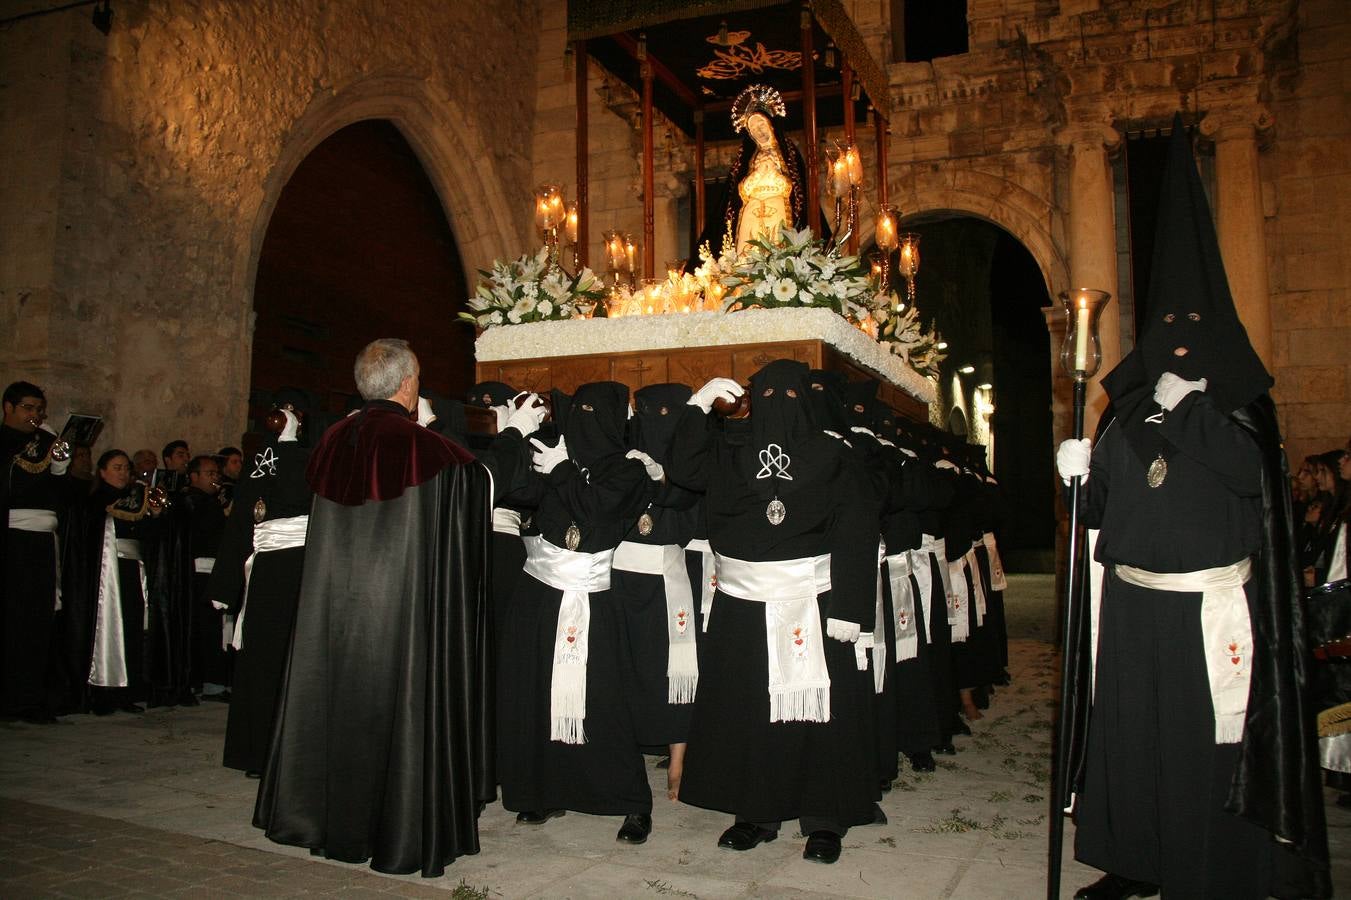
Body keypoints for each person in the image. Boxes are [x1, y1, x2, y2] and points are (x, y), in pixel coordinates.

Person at [1057, 120, 1328, 899]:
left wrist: (1191, 413)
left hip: (1212, 610)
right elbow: (1102, 512)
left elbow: (1249, 479)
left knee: (1205, 742)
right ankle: (1133, 859)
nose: (1176, 345)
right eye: (1163, 330)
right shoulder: (1123, 413)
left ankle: (1212, 865)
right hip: (1135, 608)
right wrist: (1078, 477)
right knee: (1132, 737)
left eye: (1192, 331)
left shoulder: (1240, 413)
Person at [254, 339, 494, 877]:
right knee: (398, 705)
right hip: (402, 620)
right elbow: (464, 545)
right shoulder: (431, 452)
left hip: (334, 616)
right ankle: (397, 827)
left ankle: (318, 818)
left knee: (331, 693)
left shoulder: (329, 442)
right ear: (408, 386)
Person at [667, 360, 880, 865]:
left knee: (819, 717)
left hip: (815, 601)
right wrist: (697, 407)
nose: (776, 407)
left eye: (789, 397)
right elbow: (682, 467)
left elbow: (857, 528)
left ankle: (824, 819)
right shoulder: (729, 449)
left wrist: (851, 608)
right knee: (749, 713)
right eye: (766, 395)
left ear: (806, 401)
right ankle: (755, 813)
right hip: (742, 607)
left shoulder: (833, 453)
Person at [496, 381, 658, 844]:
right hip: (540, 590)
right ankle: (542, 790)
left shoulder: (629, 471)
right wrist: (520, 439)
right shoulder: (558, 454)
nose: (584, 421)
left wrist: (563, 470)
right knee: (536, 694)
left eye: (594, 412)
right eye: (577, 411)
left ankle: (630, 802)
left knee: (605, 699)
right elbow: (518, 494)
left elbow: (597, 512)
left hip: (593, 595)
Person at [213, 390, 316, 776]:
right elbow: (243, 520)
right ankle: (257, 751)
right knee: (260, 660)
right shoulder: (259, 460)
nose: (284, 420)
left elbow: (299, 492)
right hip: (266, 571)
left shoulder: (306, 458)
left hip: (301, 567)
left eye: (292, 415)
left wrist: (289, 444)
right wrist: (224, 586)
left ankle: (290, 750)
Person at [611, 382, 703, 801]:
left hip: (667, 578)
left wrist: (663, 478)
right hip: (619, 575)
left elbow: (689, 505)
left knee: (671, 670)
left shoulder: (692, 462)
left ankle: (680, 758)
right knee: (623, 668)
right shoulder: (625, 456)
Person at [0, 382, 72, 722]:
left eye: (38, 410)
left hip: (42, 541)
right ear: (8, 408)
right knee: (10, 619)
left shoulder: (47, 442)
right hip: (11, 539)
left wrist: (59, 465)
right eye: (28, 408)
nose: (34, 415)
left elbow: (59, 492)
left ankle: (31, 698)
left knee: (39, 619)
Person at [699, 84, 813, 255]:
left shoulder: (788, 153)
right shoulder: (746, 160)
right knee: (747, 253)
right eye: (753, 129)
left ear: (771, 124)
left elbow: (797, 190)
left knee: (777, 252)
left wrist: (774, 173)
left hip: (777, 208)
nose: (758, 131)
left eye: (761, 124)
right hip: (751, 211)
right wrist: (757, 175)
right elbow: (738, 192)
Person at [181, 454, 228, 701]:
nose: (215, 478)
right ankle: (200, 681)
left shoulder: (212, 502)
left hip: (212, 571)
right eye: (209, 474)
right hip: (196, 574)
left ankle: (211, 680)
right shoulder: (189, 501)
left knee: (212, 628)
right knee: (199, 629)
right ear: (194, 476)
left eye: (216, 474)